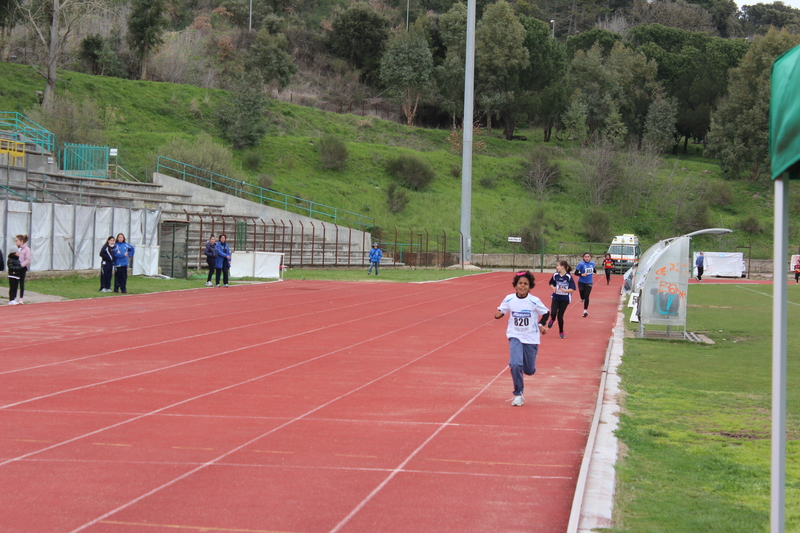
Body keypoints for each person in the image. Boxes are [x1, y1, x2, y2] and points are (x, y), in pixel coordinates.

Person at [495, 271, 550, 407]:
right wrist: (499, 313)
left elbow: (546, 313)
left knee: (529, 370)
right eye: (520, 283)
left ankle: (528, 368)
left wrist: (541, 325)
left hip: (531, 338)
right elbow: (502, 309)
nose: (522, 286)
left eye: (525, 284)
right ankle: (518, 394)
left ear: (530, 287)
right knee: (515, 364)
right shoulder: (509, 299)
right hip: (515, 335)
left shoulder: (534, 301)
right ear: (515, 285)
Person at [547, 260, 576, 339]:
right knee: (553, 313)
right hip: (556, 297)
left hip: (564, 299)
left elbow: (573, 289)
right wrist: (553, 288)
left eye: (557, 266)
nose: (556, 267)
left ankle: (561, 332)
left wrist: (565, 290)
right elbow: (551, 283)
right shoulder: (555, 275)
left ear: (562, 266)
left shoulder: (568, 277)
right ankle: (552, 319)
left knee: (560, 316)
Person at [11, 235, 31, 305]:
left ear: (21, 241)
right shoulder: (16, 248)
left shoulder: (27, 249)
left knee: (21, 282)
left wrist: (21, 265)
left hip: (22, 267)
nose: (16, 242)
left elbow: (28, 260)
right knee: (15, 282)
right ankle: (13, 297)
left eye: (17, 241)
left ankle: (21, 298)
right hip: (16, 267)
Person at [574, 252, 595, 317]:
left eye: (588, 257)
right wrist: (581, 274)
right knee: (582, 295)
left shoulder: (592, 263)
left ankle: (585, 311)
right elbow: (575, 273)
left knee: (586, 296)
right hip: (581, 282)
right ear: (583, 257)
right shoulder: (580, 264)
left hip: (589, 282)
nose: (587, 258)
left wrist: (596, 272)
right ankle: (581, 298)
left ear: (590, 257)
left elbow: (593, 270)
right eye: (585, 257)